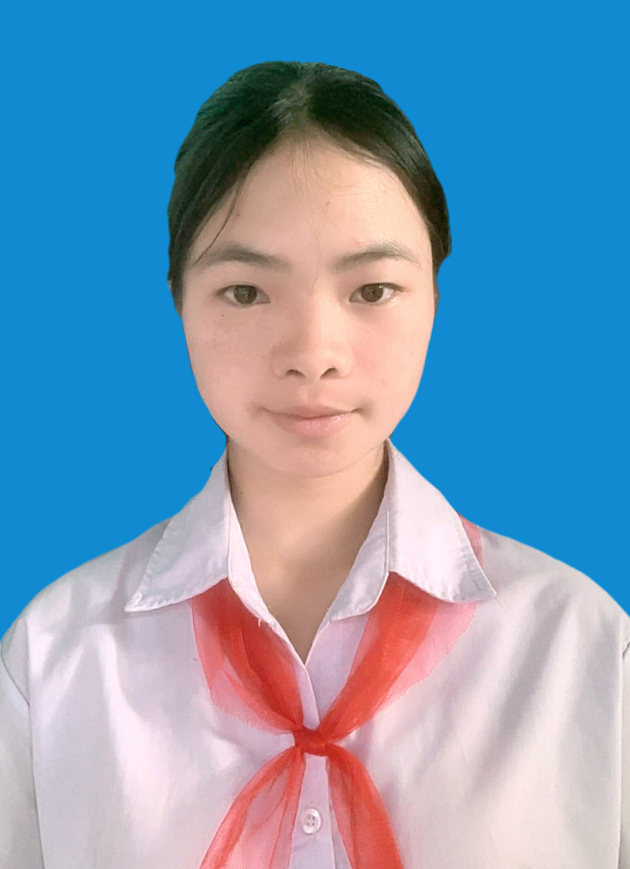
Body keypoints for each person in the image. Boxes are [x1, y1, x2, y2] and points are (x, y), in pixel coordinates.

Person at [1, 60, 628, 869]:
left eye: (371, 290)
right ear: (178, 300)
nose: (312, 353)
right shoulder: (54, 658)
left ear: (435, 296)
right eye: (246, 292)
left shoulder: (581, 651)